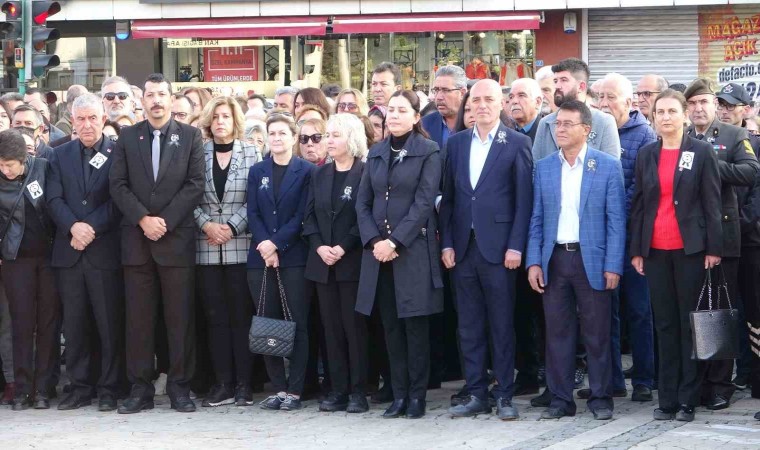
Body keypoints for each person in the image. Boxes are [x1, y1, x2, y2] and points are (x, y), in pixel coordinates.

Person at [109, 73, 205, 414]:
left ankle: (180, 387)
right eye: (150, 95)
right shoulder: (127, 137)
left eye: (162, 94)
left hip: (175, 242)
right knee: (138, 321)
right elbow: (118, 184)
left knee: (180, 320)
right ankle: (140, 389)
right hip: (137, 243)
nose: (156, 101)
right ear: (142, 101)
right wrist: (142, 219)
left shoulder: (191, 136)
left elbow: (195, 184)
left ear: (170, 98)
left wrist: (164, 221)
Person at [439, 79, 533, 420]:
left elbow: (524, 202)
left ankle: (504, 394)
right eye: (475, 100)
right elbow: (448, 198)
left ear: (501, 103)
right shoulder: (456, 144)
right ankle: (477, 392)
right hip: (463, 249)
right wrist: (447, 242)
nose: (481, 105)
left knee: (501, 325)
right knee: (469, 325)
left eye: (488, 99)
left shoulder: (517, 143)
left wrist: (516, 246)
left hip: (500, 250)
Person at [527, 100, 626, 421]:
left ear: (586, 130)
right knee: (557, 334)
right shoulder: (545, 167)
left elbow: (616, 220)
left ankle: (600, 398)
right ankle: (560, 399)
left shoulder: (606, 165)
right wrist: (534, 262)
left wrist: (613, 265)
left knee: (597, 334)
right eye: (557, 124)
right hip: (555, 259)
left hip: (592, 260)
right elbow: (536, 218)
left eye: (567, 124)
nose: (560, 129)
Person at [629, 89, 723, 422]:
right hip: (655, 250)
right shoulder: (646, 154)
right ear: (652, 117)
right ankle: (667, 398)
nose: (665, 117)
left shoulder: (701, 152)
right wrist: (637, 250)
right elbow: (640, 204)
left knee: (689, 325)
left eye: (672, 111)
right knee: (665, 325)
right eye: (660, 112)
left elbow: (712, 201)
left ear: (684, 115)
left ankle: (688, 398)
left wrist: (714, 247)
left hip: (690, 250)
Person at [355, 90, 443, 419]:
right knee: (390, 327)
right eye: (390, 110)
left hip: (412, 252)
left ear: (416, 117)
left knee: (414, 328)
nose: (393, 115)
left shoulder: (428, 151)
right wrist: (375, 241)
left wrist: (394, 242)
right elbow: (363, 203)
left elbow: (424, 203)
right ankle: (399, 393)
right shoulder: (377, 152)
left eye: (401, 110)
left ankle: (417, 396)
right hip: (378, 254)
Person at [685, 78, 760, 411]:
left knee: (719, 312)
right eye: (692, 103)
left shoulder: (733, 136)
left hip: (723, 237)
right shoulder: (681, 137)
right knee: (694, 310)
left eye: (704, 102)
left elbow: (750, 172)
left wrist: (710, 163)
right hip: (689, 239)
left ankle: (720, 384)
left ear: (714, 106)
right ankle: (696, 381)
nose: (698, 109)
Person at [45, 93, 123, 412]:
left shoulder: (118, 153)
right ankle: (79, 387)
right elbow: (53, 199)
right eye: (81, 119)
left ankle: (109, 387)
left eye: (93, 118)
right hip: (70, 253)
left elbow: (119, 199)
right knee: (75, 325)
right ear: (72, 122)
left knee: (108, 324)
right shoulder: (58, 154)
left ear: (103, 119)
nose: (87, 124)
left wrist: (89, 227)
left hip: (104, 252)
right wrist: (73, 228)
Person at [193, 96, 260, 407]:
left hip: (240, 245)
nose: (221, 122)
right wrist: (206, 225)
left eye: (226, 116)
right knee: (215, 318)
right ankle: (223, 383)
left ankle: (244, 384)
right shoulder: (198, 153)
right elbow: (188, 196)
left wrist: (231, 227)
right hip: (206, 247)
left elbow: (255, 199)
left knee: (241, 317)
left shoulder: (251, 152)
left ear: (236, 121)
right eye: (216, 116)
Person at [596, 72, 658, 403]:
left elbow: (643, 187)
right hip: (601, 237)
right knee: (605, 311)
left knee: (639, 310)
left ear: (629, 101)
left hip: (634, 237)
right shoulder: (593, 129)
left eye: (611, 97)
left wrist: (612, 208)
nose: (604, 103)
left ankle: (645, 379)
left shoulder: (645, 135)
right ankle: (612, 380)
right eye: (600, 97)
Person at [247, 113, 314, 411]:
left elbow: (302, 215)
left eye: (282, 133)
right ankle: (279, 388)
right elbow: (253, 212)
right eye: (271, 133)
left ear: (293, 137)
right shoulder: (257, 170)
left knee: (297, 322)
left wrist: (276, 244)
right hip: (261, 257)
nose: (276, 138)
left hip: (294, 257)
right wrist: (265, 245)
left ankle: (296, 390)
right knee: (267, 323)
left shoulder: (307, 171)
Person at [303, 113, 369, 413]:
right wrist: (319, 247)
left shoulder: (365, 172)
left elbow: (364, 216)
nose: (328, 141)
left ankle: (359, 391)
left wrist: (343, 247)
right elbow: (309, 216)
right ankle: (338, 389)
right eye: (327, 135)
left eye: (335, 135)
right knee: (330, 330)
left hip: (352, 262)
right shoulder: (319, 174)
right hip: (323, 263)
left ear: (351, 139)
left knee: (354, 329)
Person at [0, 129, 58, 410]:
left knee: (48, 323)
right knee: (21, 324)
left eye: (9, 165)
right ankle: (23, 388)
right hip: (15, 260)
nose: (5, 170)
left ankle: (44, 388)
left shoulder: (45, 169)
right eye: (1, 164)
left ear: (24, 159)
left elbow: (56, 206)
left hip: (49, 259)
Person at [717, 83, 760, 391]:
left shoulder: (754, 144)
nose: (724, 111)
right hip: (718, 242)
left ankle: (753, 373)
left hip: (749, 240)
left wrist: (737, 226)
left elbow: (756, 197)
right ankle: (729, 373)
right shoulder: (707, 142)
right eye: (720, 104)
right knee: (724, 309)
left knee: (753, 310)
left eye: (730, 106)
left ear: (746, 110)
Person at [507, 77, 546, 397]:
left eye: (522, 95)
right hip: (512, 234)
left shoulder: (546, 132)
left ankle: (550, 369)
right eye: (511, 96)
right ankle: (528, 371)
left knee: (544, 310)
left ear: (539, 102)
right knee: (519, 308)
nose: (514, 101)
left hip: (542, 234)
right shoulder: (507, 135)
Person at [532, 58, 621, 161]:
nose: (557, 86)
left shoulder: (604, 122)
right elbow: (536, 165)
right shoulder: (545, 123)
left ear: (581, 86)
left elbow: (611, 166)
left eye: (564, 80)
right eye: (555, 81)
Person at [422, 66, 467, 150]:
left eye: (446, 90)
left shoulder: (475, 123)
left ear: (462, 93)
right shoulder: (424, 124)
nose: (439, 97)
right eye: (436, 90)